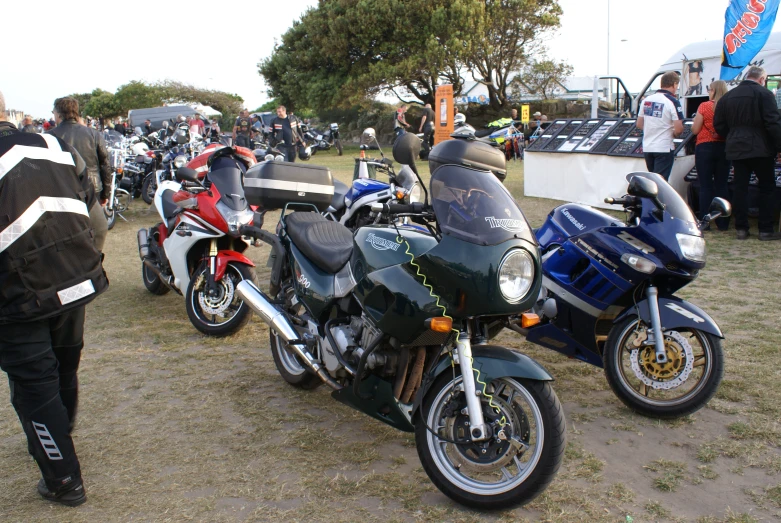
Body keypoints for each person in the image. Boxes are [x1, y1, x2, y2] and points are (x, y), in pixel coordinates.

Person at [0, 89, 108, 507]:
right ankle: (60, 432)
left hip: (18, 292)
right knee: (63, 365)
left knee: (34, 384)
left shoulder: (54, 140)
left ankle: (63, 479)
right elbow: (93, 213)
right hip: (74, 279)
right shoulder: (52, 144)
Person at [714, 66, 781, 241]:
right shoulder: (765, 94)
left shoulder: (727, 97)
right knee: (767, 188)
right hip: (761, 149)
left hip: (736, 148)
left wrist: (733, 136)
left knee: (740, 189)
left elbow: (719, 125)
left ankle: (741, 229)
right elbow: (772, 123)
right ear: (761, 79)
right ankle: (765, 229)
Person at [48, 97, 111, 252]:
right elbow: (105, 165)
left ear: (58, 113)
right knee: (93, 229)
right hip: (92, 187)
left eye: (54, 112)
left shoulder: (49, 137)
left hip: (63, 190)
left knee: (68, 232)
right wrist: (106, 193)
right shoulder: (93, 134)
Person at [691, 80, 730, 231]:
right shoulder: (728, 107)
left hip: (705, 147)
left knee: (705, 186)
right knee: (722, 185)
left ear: (713, 90)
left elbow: (695, 129)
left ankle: (705, 222)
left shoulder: (704, 106)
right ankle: (723, 222)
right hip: (724, 147)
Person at [637, 71, 684, 180]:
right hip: (664, 147)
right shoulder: (672, 101)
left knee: (651, 182)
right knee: (661, 184)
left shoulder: (646, 100)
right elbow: (679, 128)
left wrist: (652, 129)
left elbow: (639, 124)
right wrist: (674, 133)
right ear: (674, 84)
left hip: (648, 147)